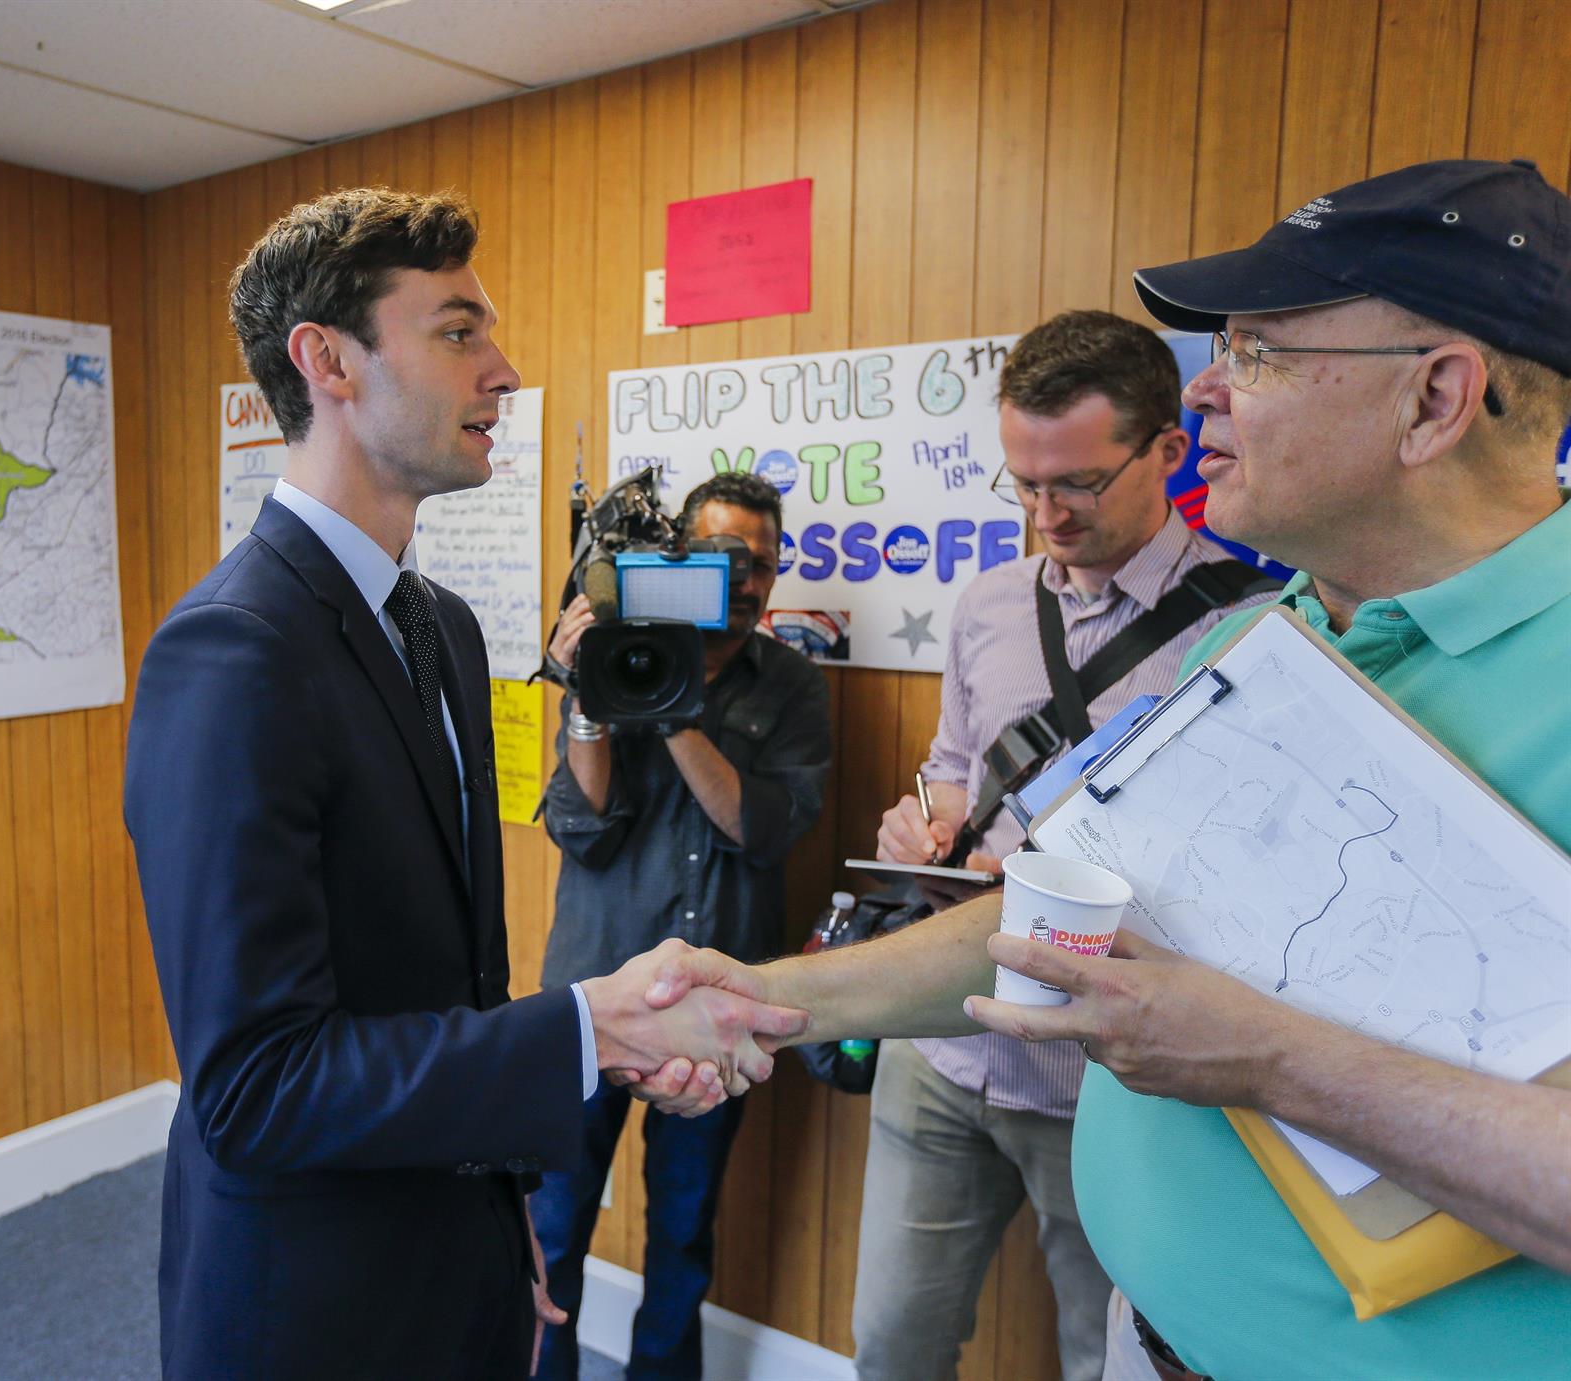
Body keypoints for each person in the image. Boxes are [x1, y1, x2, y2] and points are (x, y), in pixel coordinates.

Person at [627, 159, 1571, 1380]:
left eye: (1260, 352)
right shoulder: (1268, 640)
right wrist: (766, 995)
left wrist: (1273, 1058)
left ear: (1437, 399)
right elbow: (1057, 914)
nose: (1213, 394)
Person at [122, 188, 806, 1381]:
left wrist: (504, 1232)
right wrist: (596, 1029)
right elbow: (253, 1087)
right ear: (326, 360)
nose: (504, 370)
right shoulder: (231, 650)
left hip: (460, 1254)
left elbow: (452, 983)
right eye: (457, 332)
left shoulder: (437, 622)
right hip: (316, 1302)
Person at [853, 311, 1277, 1381]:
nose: (1047, 513)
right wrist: (926, 816)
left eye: (1078, 483)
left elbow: (1241, 879)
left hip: (1110, 1081)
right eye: (1024, 483)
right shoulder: (987, 604)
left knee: (1108, 1360)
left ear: (1169, 451)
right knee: (890, 1345)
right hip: (942, 1047)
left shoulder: (1251, 626)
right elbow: (952, 761)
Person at [531, 471, 832, 1380]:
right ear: (681, 562)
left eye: (766, 567)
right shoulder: (613, 657)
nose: (747, 583)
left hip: (714, 1014)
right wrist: (593, 692)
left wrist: (670, 714)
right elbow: (580, 830)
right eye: (726, 561)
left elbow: (762, 828)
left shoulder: (790, 686)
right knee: (552, 1227)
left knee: (682, 1235)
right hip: (589, 1000)